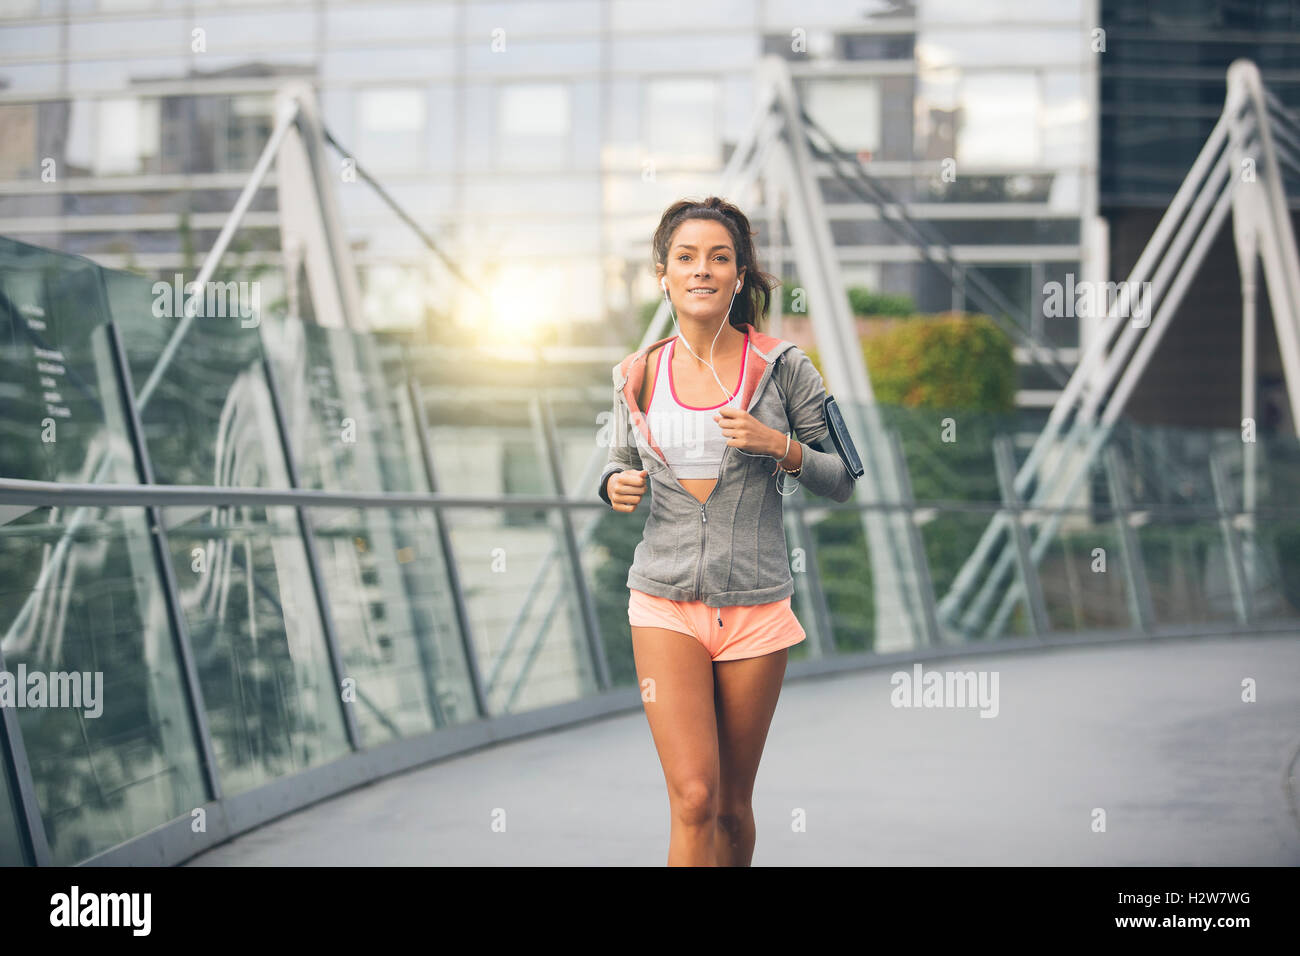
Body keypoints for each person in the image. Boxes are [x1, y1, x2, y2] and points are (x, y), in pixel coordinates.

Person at [597, 196, 855, 866]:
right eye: (686, 258)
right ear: (664, 274)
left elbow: (845, 478)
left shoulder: (784, 366)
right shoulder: (636, 373)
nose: (702, 270)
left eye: (719, 258)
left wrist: (779, 445)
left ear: (740, 275)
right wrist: (610, 485)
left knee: (733, 810)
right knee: (692, 798)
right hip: (663, 601)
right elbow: (619, 465)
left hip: (756, 609)